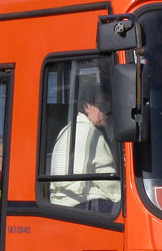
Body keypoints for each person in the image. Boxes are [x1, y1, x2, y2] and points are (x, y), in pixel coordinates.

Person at [48, 81, 121, 213]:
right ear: (87, 106)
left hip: (60, 202)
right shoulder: (92, 134)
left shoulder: (67, 129)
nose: (107, 112)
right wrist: (123, 194)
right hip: (82, 201)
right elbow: (106, 177)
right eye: (103, 106)